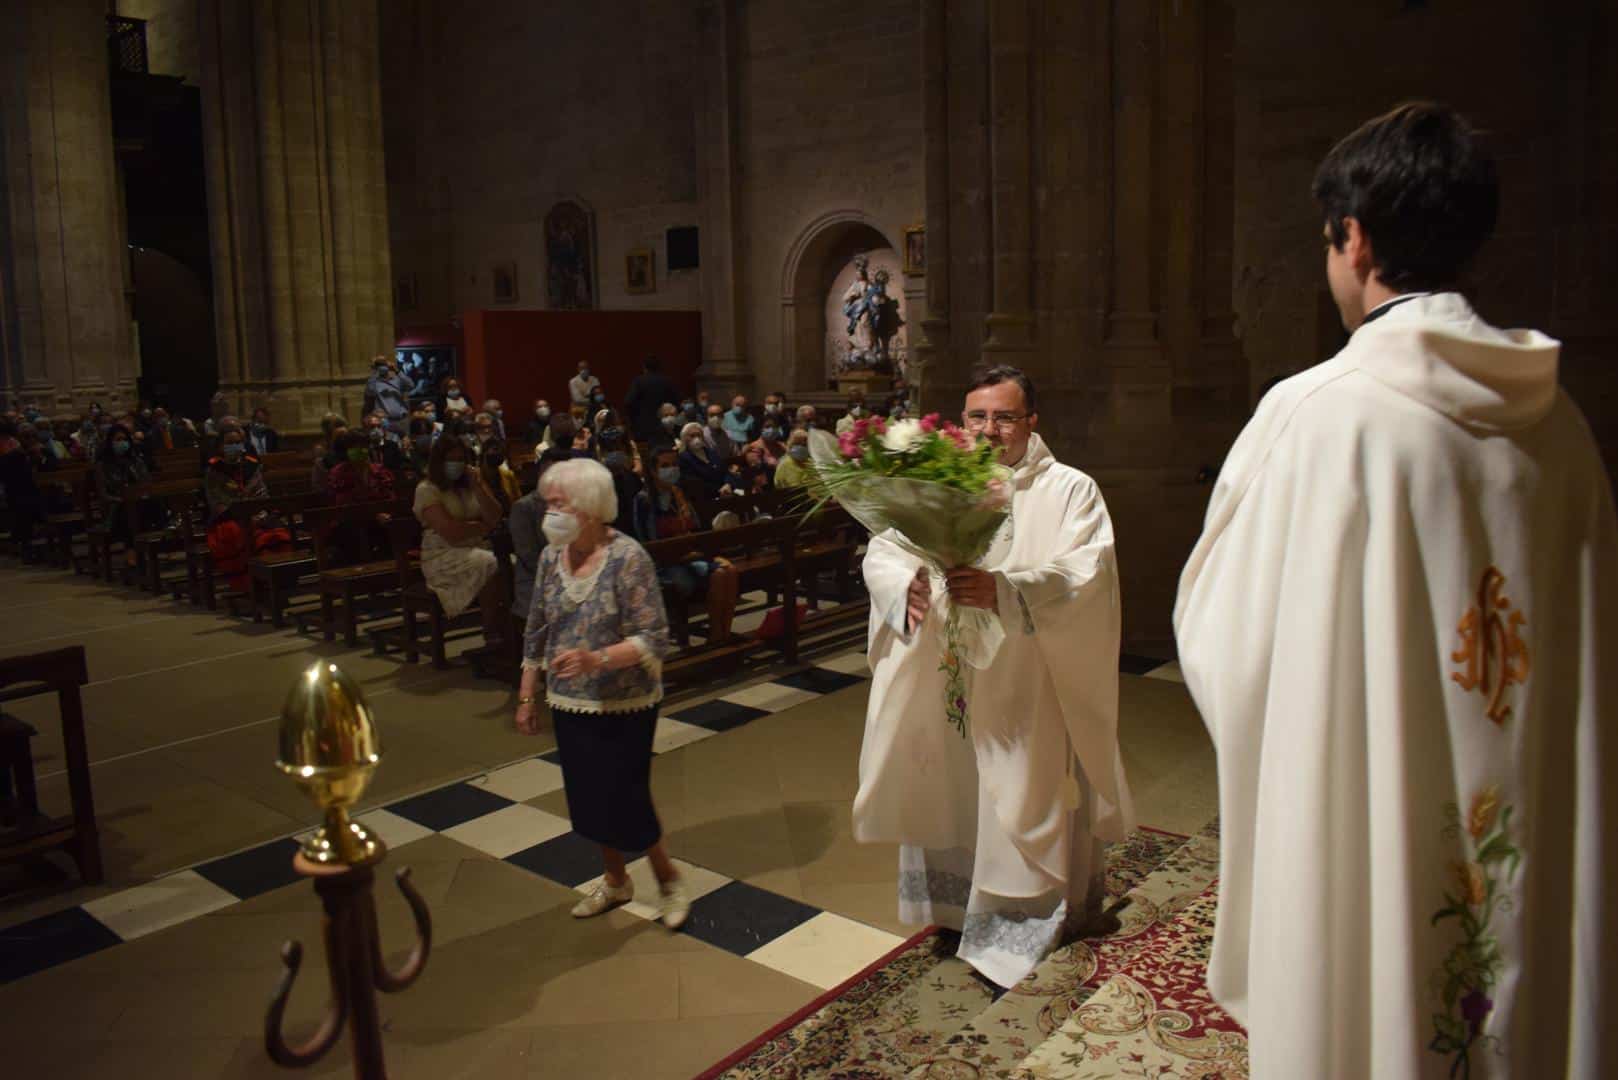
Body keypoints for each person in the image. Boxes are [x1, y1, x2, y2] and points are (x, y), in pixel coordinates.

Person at [1173, 102, 1617, 1079]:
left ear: (1355, 238)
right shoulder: (1565, 426)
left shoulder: (1317, 418)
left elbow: (1224, 645)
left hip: (1373, 821)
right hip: (1529, 811)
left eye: (1326, 241)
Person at [853, 364, 1132, 990]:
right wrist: (907, 586)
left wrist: (1008, 592)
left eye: (1004, 417)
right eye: (978, 416)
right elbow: (886, 549)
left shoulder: (1069, 490)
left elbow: (1086, 573)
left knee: (1019, 790)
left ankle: (1017, 928)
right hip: (948, 667)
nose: (989, 430)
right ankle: (955, 911)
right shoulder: (943, 482)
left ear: (1031, 422)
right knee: (952, 784)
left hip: (1025, 677)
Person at [513, 458, 687, 927]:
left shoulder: (627, 557)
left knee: (626, 792)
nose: (548, 512)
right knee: (587, 793)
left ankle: (668, 880)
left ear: (589, 507)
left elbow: (655, 636)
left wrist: (597, 658)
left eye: (557, 503)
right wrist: (528, 693)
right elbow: (537, 627)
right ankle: (615, 880)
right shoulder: (552, 556)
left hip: (625, 697)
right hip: (571, 699)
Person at [414, 434, 505, 642]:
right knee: (490, 563)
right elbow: (450, 532)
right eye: (451, 459)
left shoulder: (471, 484)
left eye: (460, 459)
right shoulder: (427, 489)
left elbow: (495, 516)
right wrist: (481, 526)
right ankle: (491, 630)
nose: (457, 464)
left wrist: (478, 486)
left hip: (477, 546)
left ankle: (506, 624)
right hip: (442, 555)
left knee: (510, 563)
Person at [203, 422, 291, 592]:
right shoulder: (213, 470)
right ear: (221, 446)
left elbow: (262, 494)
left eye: (238, 442)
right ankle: (250, 586)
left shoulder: (252, 465)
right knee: (238, 534)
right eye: (230, 442)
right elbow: (217, 501)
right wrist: (244, 515)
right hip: (228, 518)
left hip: (257, 515)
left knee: (279, 533)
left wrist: (261, 513)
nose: (234, 446)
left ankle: (278, 582)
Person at [96, 422, 152, 567]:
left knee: (152, 504)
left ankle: (148, 548)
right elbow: (103, 494)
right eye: (118, 440)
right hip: (115, 506)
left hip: (138, 501)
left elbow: (146, 482)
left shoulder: (135, 461)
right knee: (127, 511)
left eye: (124, 439)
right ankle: (131, 552)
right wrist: (120, 499)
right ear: (110, 442)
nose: (122, 443)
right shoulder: (103, 465)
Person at [624, 355, 681, 444]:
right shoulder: (667, 381)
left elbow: (628, 402)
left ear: (644, 367)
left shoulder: (639, 381)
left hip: (643, 427)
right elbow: (677, 402)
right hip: (665, 426)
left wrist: (634, 420)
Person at [363, 353, 415, 432]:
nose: (382, 366)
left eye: (383, 363)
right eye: (379, 364)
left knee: (405, 442)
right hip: (386, 422)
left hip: (402, 420)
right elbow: (370, 392)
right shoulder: (374, 382)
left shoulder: (397, 379)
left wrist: (396, 370)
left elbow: (411, 385)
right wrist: (374, 372)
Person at [677, 421, 729, 500]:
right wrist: (719, 490)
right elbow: (695, 483)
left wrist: (728, 484)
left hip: (726, 492)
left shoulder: (712, 453)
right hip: (706, 498)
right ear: (684, 438)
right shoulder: (683, 458)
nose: (696, 438)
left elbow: (725, 471)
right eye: (692, 436)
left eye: (699, 435)